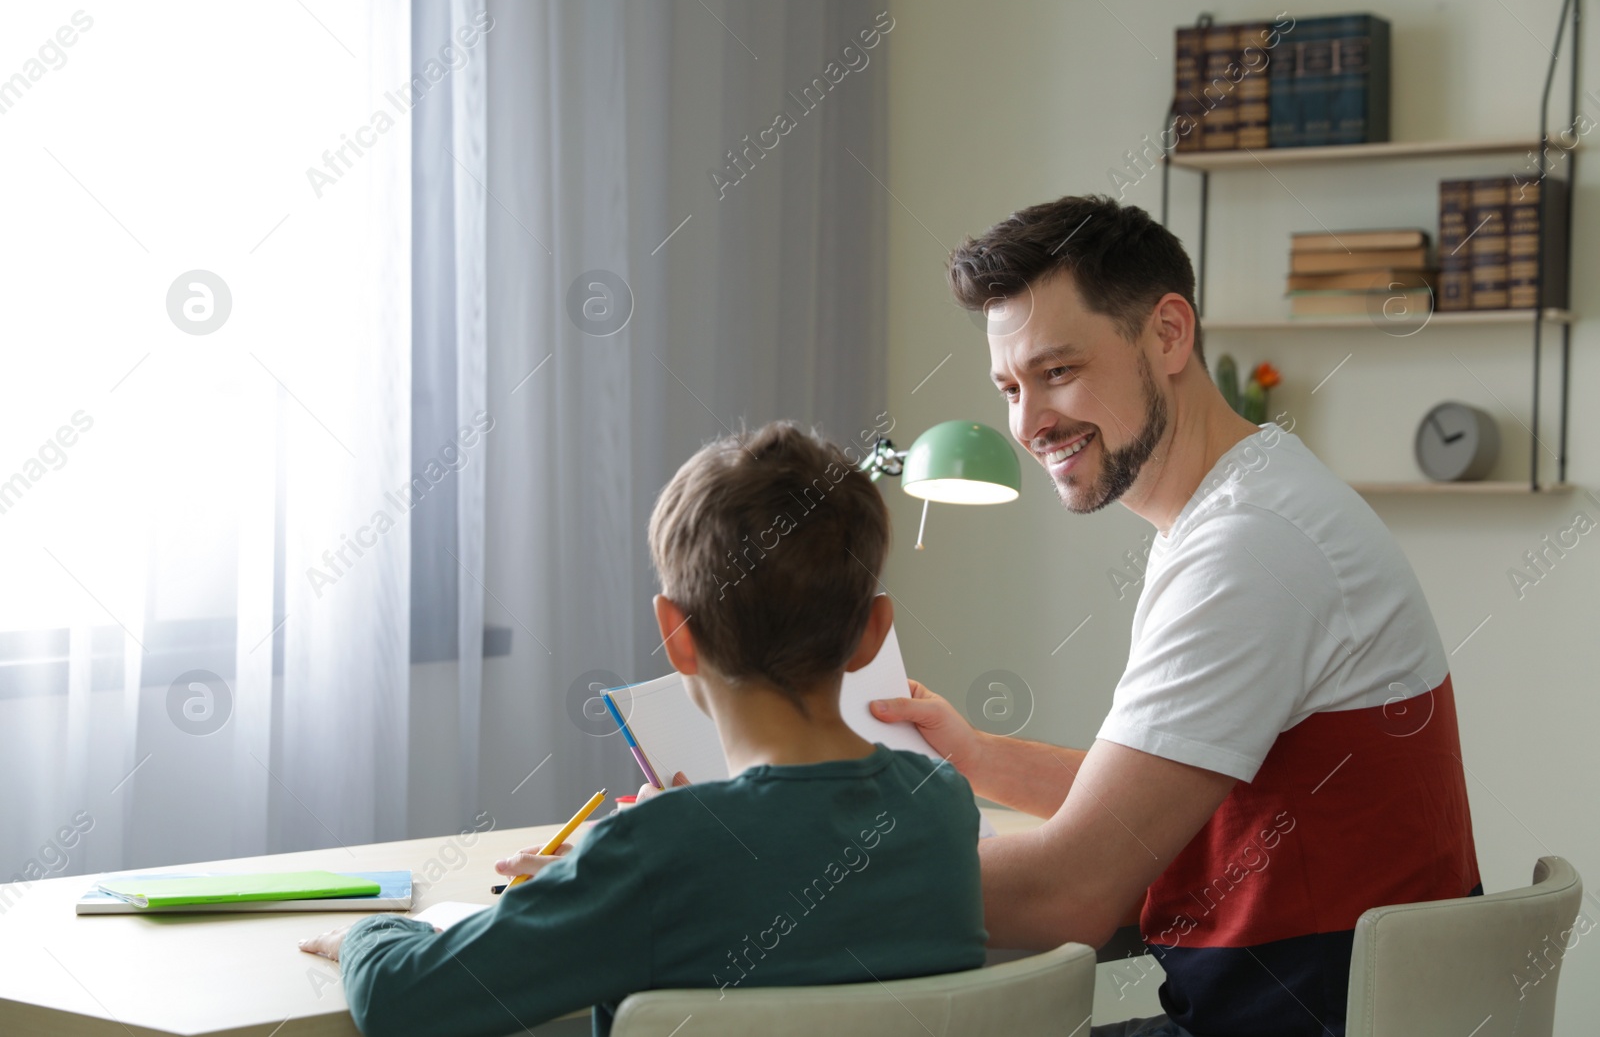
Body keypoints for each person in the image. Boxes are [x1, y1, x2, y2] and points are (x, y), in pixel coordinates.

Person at [871, 194, 1480, 1037]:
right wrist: (976, 757)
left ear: (1167, 334)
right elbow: (1155, 795)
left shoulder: (1249, 545)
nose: (1027, 421)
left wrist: (811, 871)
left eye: (1057, 371)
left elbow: (1071, 892)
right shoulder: (1247, 504)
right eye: (1010, 386)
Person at [299, 421, 987, 1036]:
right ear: (873, 634)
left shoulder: (657, 848)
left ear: (676, 635)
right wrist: (609, 874)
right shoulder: (942, 805)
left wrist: (372, 932)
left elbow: (403, 1002)